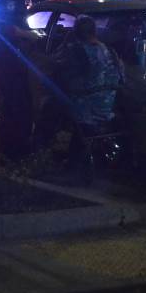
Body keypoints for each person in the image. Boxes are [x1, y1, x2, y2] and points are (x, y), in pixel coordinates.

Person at [54, 16, 124, 185]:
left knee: (51, 107)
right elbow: (121, 78)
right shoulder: (109, 51)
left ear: (76, 33)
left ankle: (64, 163)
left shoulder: (78, 52)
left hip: (86, 109)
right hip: (107, 107)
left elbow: (64, 73)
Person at [0, 0, 43, 159]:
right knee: (17, 105)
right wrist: (30, 35)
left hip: (12, 56)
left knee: (16, 104)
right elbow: (7, 28)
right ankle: (14, 151)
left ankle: (13, 149)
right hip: (8, 57)